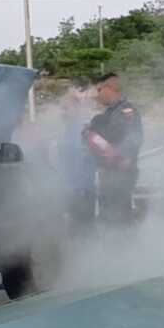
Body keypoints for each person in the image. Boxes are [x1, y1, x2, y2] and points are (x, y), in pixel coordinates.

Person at [83, 73, 143, 227]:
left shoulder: (125, 110)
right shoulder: (110, 112)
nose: (98, 94)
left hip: (119, 174)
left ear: (109, 88)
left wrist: (124, 159)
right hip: (111, 173)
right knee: (110, 216)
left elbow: (129, 139)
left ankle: (122, 247)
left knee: (118, 218)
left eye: (99, 89)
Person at [58, 89, 97, 232]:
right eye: (61, 109)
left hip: (81, 193)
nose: (62, 112)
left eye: (65, 108)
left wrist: (81, 190)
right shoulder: (66, 130)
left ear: (76, 108)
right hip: (70, 191)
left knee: (83, 233)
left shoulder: (84, 130)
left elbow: (85, 162)